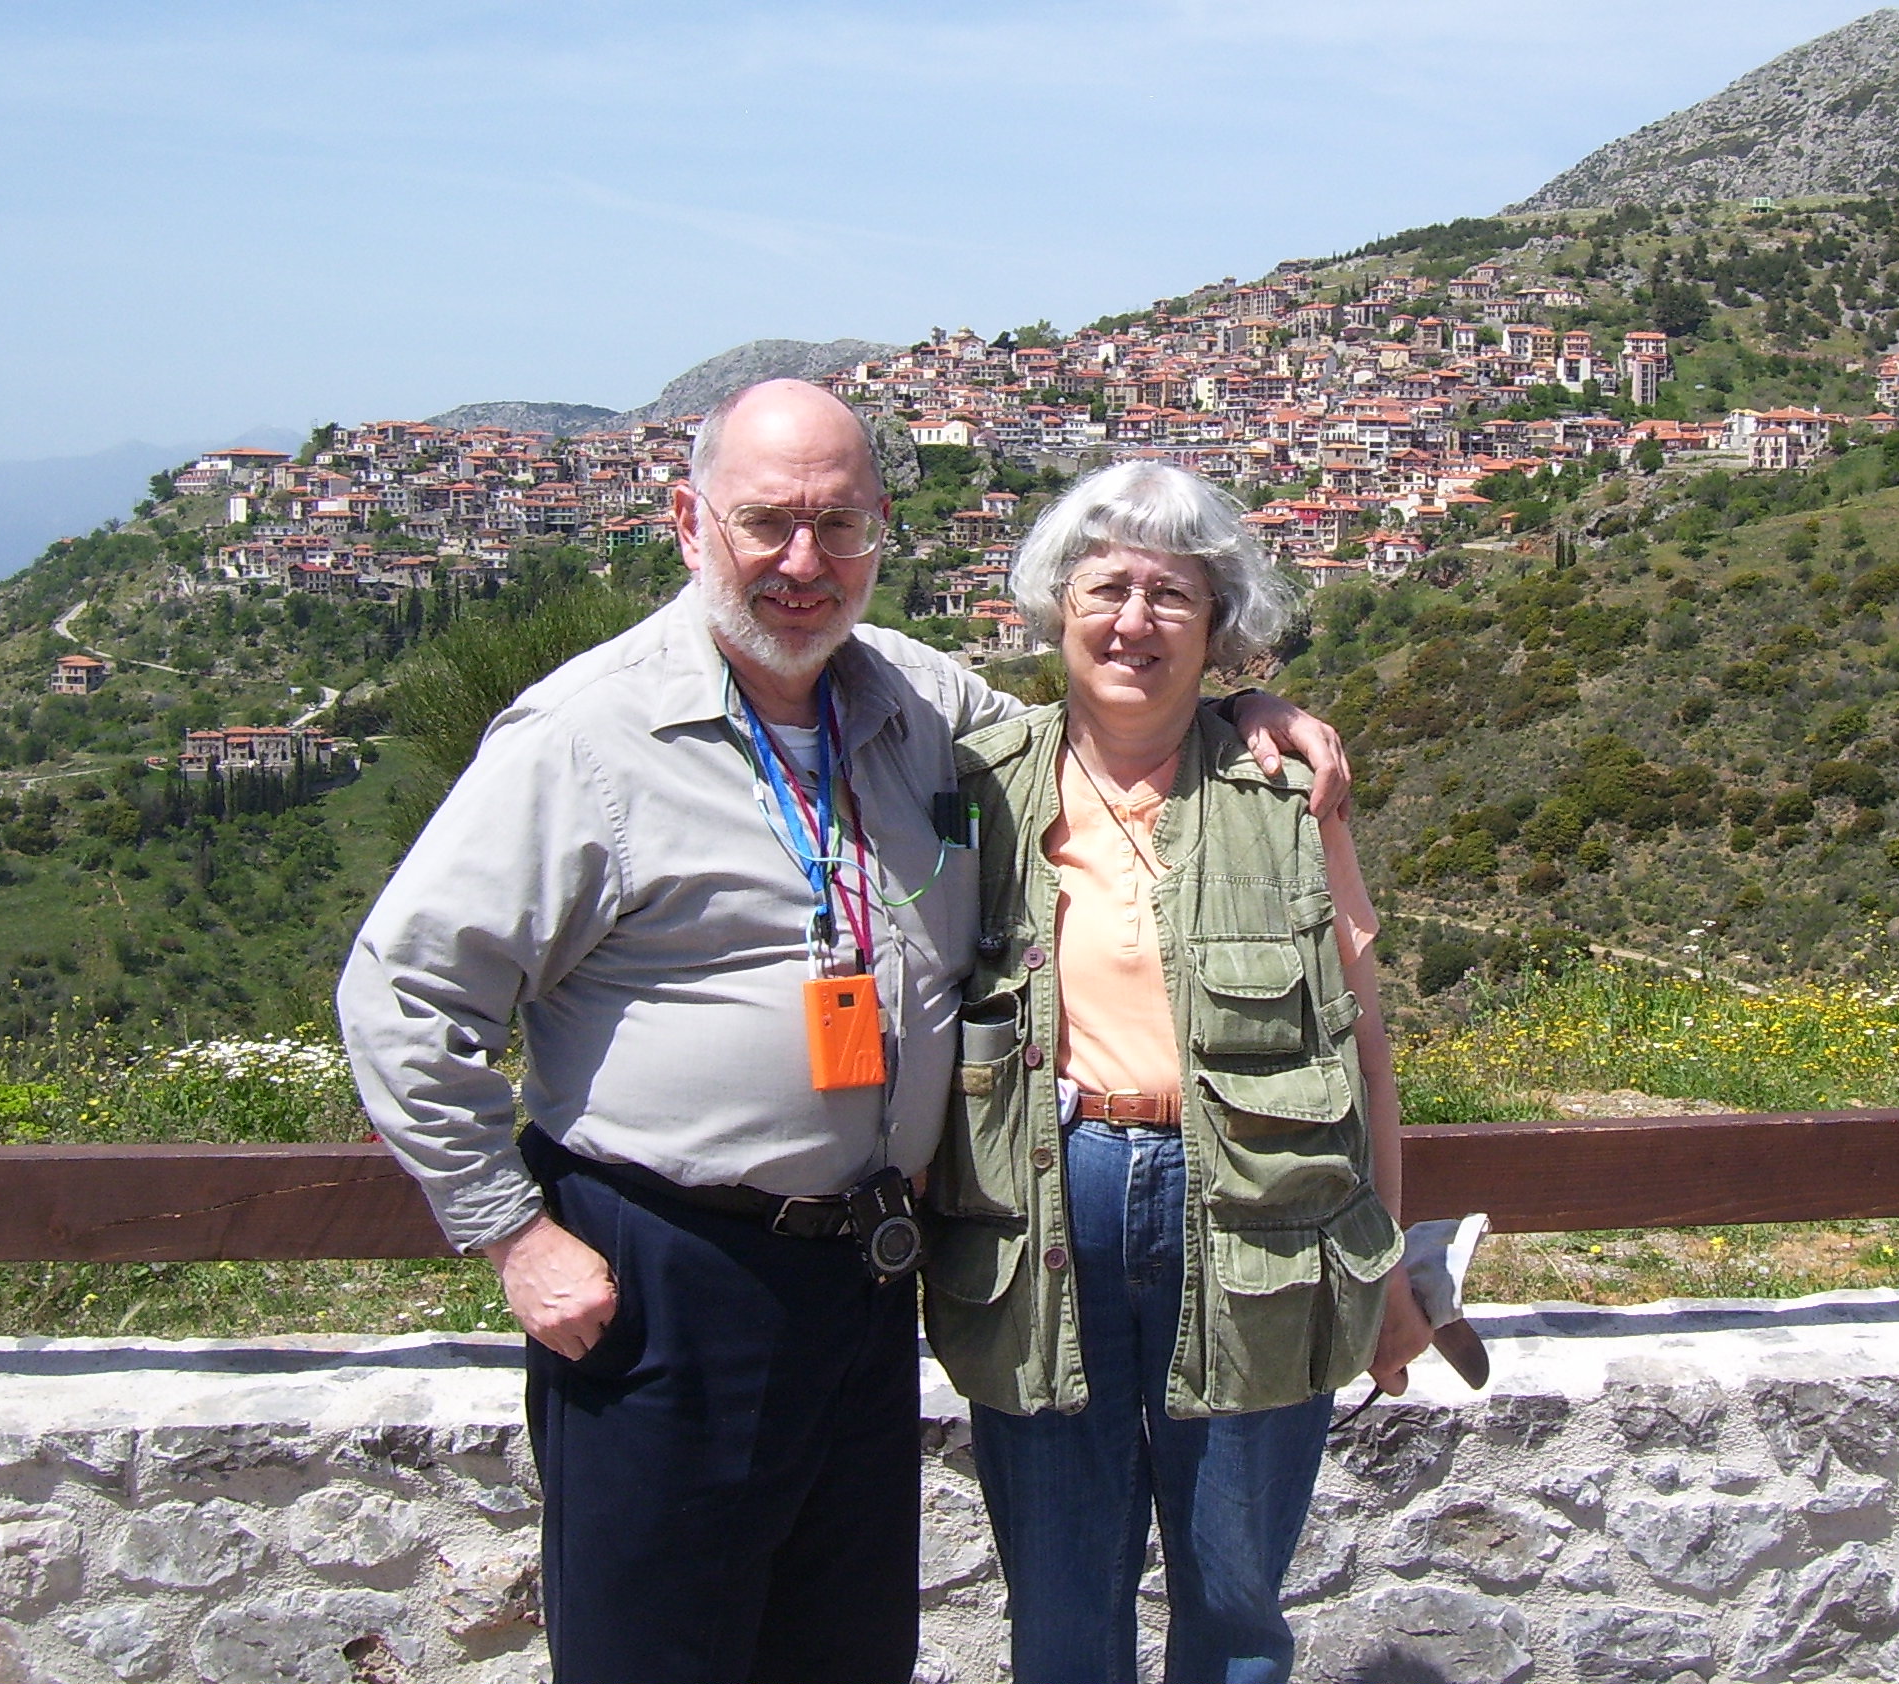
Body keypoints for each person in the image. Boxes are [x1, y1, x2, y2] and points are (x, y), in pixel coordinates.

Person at [337, 383, 1349, 1684]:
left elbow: (1109, 723)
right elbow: (401, 993)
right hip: (668, 1284)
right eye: (768, 524)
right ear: (689, 520)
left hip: (866, 1282)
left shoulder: (922, 708)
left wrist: (1247, 717)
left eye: (839, 525)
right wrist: (510, 1231)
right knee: (661, 1655)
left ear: (880, 533)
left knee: (846, 1650)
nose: (804, 563)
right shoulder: (586, 738)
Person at [924, 459, 1430, 1684]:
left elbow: (1362, 1039)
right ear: (1057, 609)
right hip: (1042, 1220)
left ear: (1219, 631)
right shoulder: (978, 786)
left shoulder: (1287, 786)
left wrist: (1396, 1261)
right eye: (1106, 589)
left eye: (1171, 597)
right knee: (1058, 1609)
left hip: (1259, 1228)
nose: (1133, 623)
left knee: (1235, 1604)